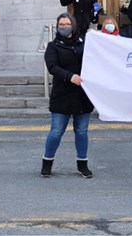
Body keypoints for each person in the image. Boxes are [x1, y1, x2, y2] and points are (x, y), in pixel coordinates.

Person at [41, 13, 94, 179]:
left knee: (81, 131)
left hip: (82, 95)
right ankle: (47, 163)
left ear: (73, 25)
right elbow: (52, 67)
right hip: (62, 94)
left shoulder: (84, 42)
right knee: (56, 131)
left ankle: (82, 164)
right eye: (61, 24)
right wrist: (70, 76)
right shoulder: (53, 46)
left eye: (67, 23)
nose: (64, 27)